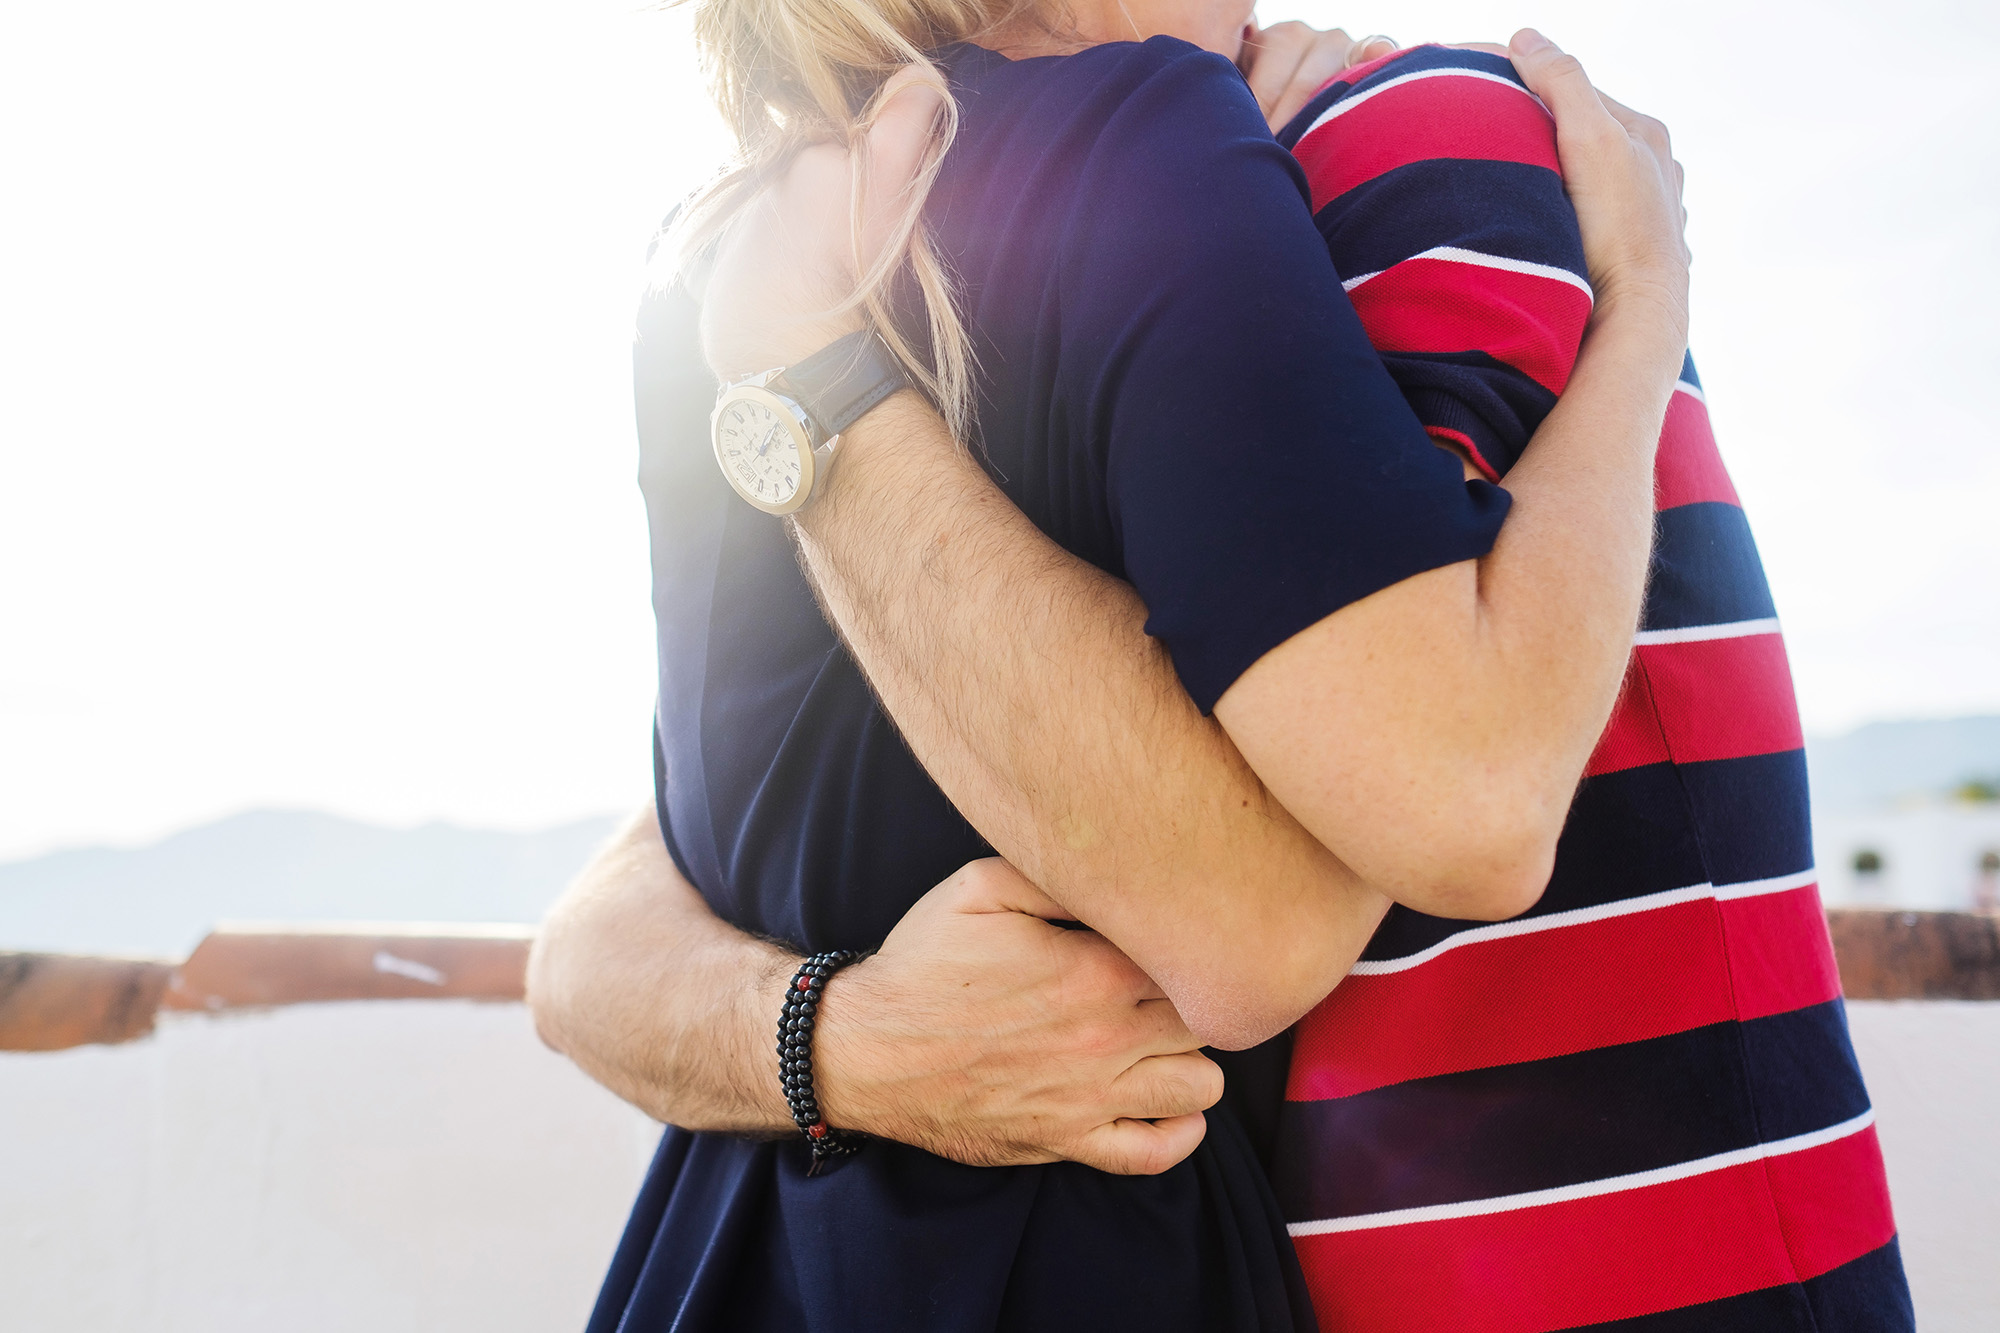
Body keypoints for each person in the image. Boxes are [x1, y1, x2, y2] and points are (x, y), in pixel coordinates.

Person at [529, 7, 1910, 1331]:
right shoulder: (1276, 145)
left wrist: (822, 1040)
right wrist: (1649, 302)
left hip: (744, 1265)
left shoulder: (742, 249)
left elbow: (638, 900)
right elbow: (1451, 817)